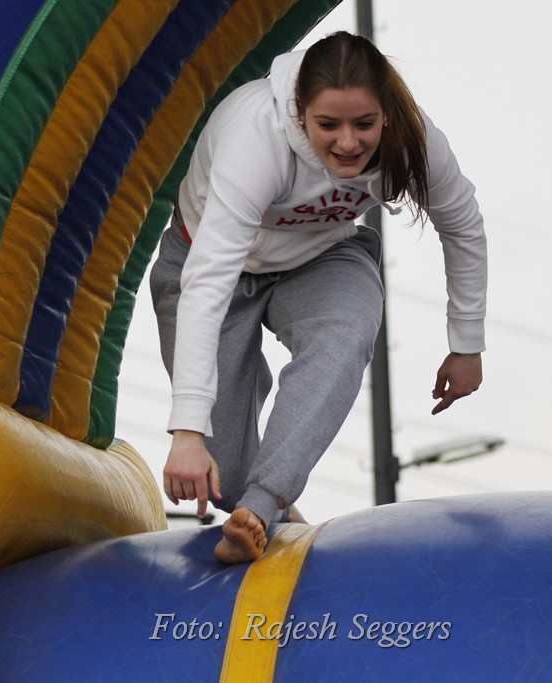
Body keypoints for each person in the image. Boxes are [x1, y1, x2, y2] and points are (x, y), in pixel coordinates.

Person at [150, 31, 486, 564]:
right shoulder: (255, 136)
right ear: (299, 112)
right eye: (328, 125)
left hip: (322, 256)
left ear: (386, 114)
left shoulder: (413, 138)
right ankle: (270, 510)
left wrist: (466, 343)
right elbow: (208, 280)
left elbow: (462, 224)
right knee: (222, 473)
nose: (348, 143)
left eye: (364, 124)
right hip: (212, 266)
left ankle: (262, 507)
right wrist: (188, 432)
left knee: (344, 333)